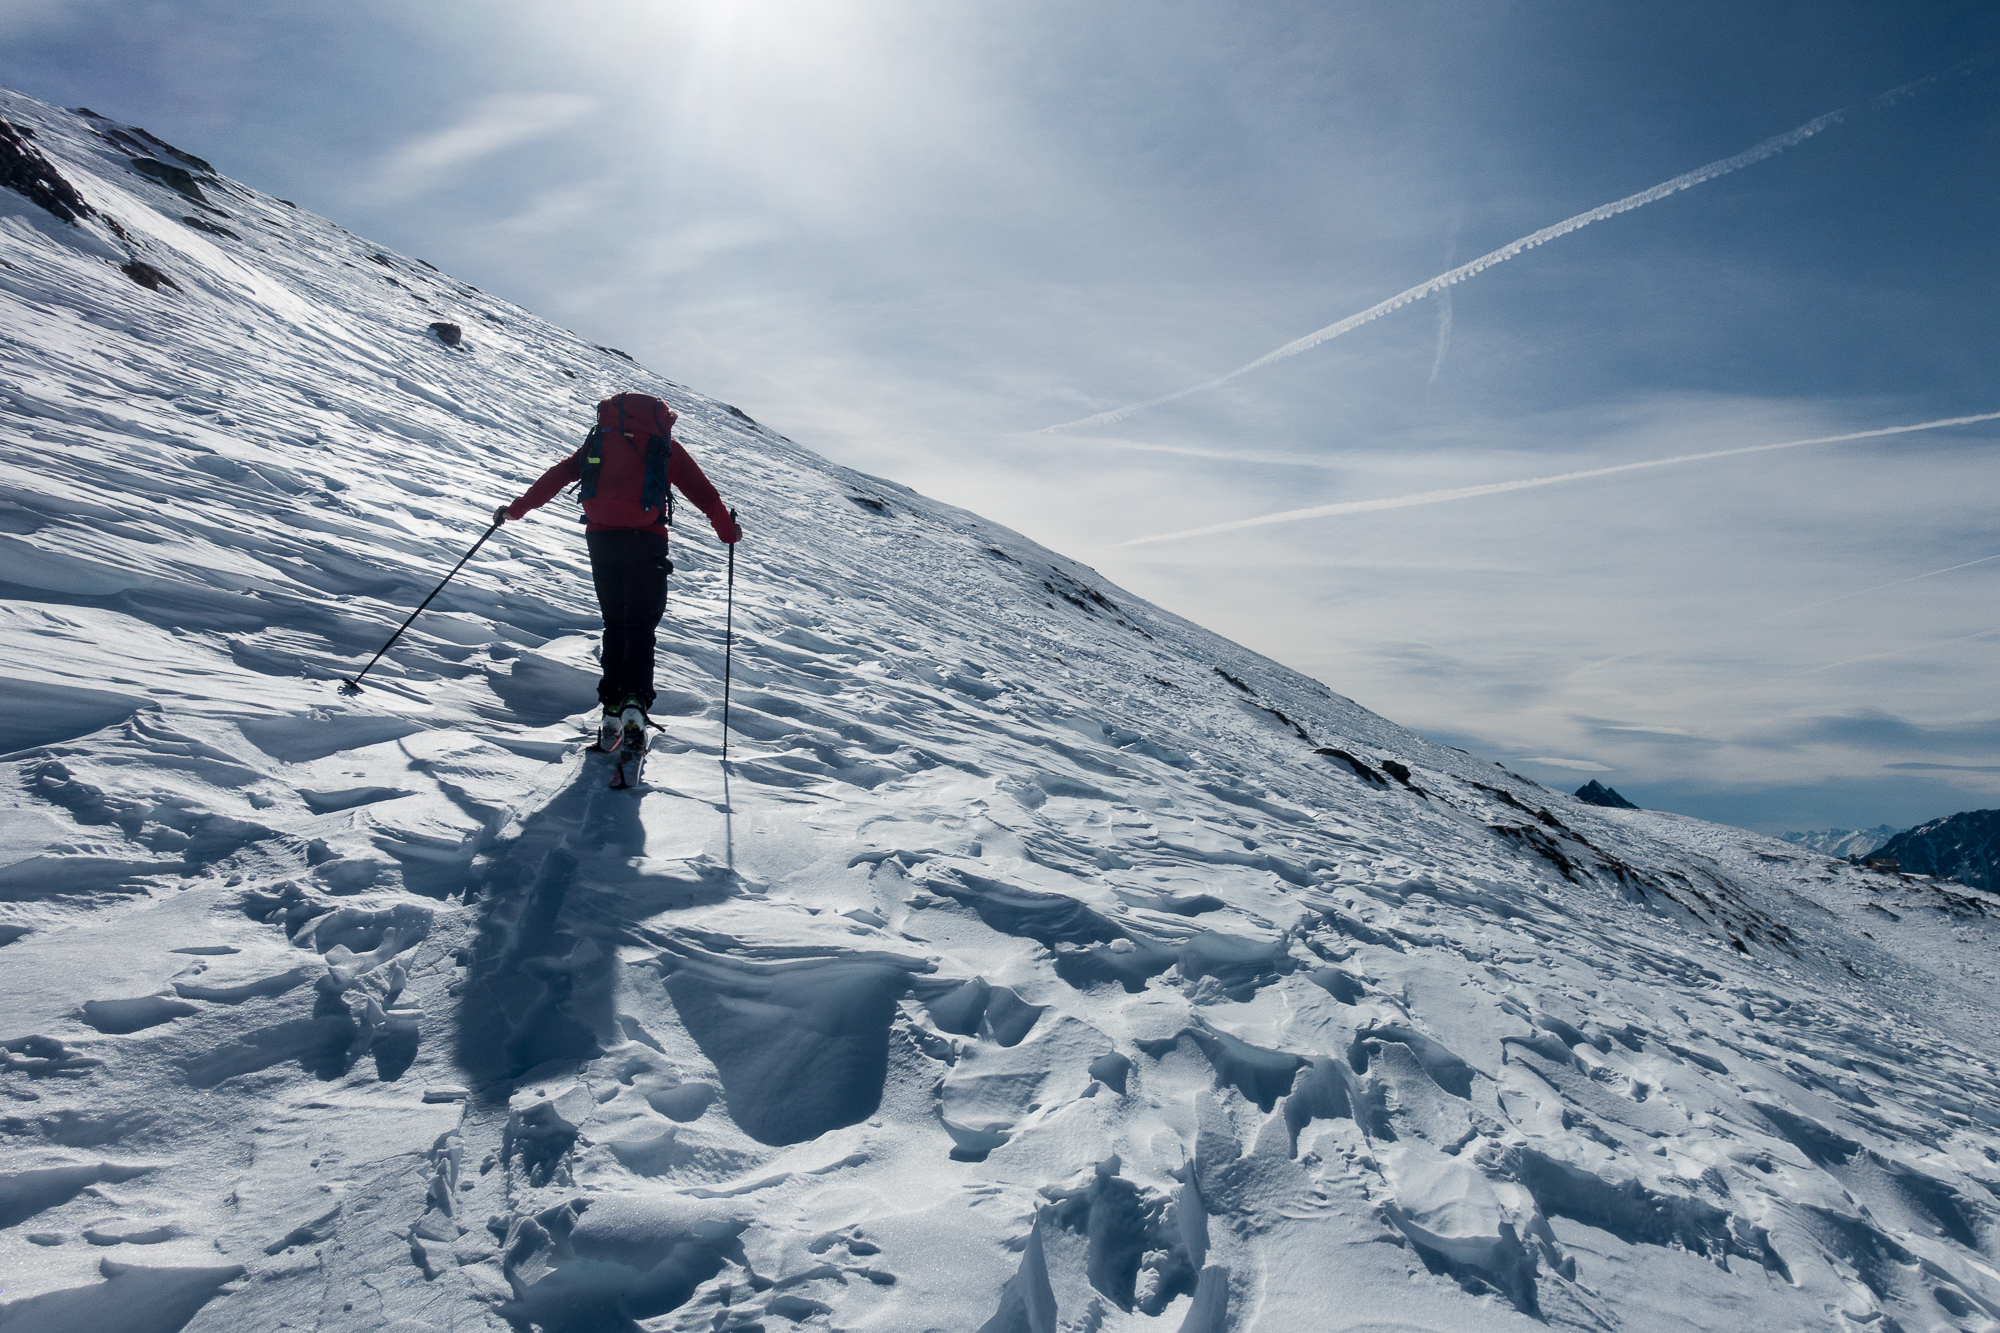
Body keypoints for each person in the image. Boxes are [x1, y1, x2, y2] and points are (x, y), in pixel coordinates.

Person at [495, 391, 741, 751]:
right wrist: (727, 532)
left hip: (601, 540)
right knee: (639, 627)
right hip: (646, 541)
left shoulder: (601, 440)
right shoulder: (664, 447)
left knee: (616, 624)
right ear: (660, 418)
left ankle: (611, 707)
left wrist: (515, 510)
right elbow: (705, 495)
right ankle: (635, 706)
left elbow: (560, 474)